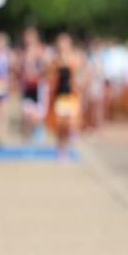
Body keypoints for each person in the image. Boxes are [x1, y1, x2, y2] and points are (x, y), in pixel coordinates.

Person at [45, 32, 84, 160]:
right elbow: (49, 75)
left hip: (71, 94)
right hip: (60, 95)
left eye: (64, 42)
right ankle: (61, 150)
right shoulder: (55, 60)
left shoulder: (76, 57)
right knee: (60, 125)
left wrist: (80, 83)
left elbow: (82, 73)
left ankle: (70, 138)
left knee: (71, 122)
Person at [18, 26, 48, 142]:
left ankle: (37, 129)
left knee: (38, 115)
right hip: (27, 86)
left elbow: (45, 68)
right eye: (26, 37)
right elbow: (20, 70)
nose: (27, 39)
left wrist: (37, 72)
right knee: (26, 113)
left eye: (30, 37)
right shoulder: (23, 52)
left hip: (38, 86)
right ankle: (27, 137)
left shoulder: (40, 51)